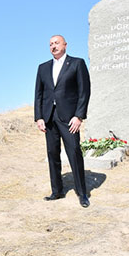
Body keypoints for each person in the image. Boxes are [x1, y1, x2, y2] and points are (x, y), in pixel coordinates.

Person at [34, 35, 91, 208]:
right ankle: (57, 191)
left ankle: (82, 194)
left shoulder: (77, 63)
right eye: (50, 44)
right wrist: (39, 117)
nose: (53, 46)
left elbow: (84, 91)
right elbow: (38, 94)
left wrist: (79, 116)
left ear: (65, 45)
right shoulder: (43, 68)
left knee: (74, 153)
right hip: (49, 118)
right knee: (52, 154)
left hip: (69, 118)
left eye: (56, 43)